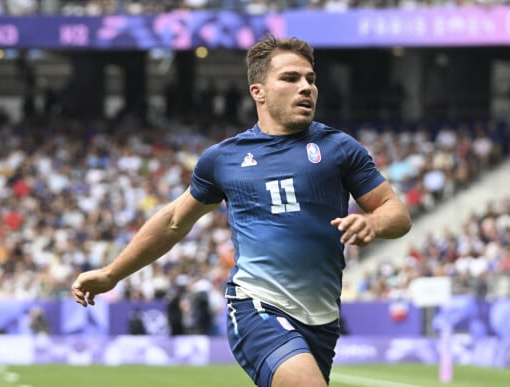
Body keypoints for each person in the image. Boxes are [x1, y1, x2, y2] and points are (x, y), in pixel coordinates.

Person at [71, 35, 412, 387]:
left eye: (310, 79)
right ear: (258, 91)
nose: (306, 87)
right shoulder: (224, 158)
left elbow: (397, 214)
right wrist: (112, 274)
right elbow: (173, 221)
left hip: (322, 319)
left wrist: (372, 222)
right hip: (257, 306)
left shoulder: (340, 148)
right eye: (290, 78)